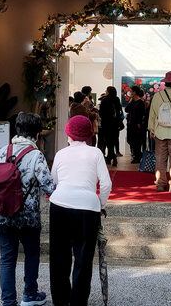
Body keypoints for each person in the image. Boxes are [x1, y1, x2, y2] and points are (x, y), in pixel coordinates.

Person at [0, 113, 56, 306]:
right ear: (36, 133)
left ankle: (8, 301)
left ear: (17, 130)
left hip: (3, 214)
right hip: (28, 217)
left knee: (7, 259)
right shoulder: (36, 155)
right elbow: (49, 187)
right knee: (31, 255)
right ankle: (30, 295)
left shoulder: (2, 152)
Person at [49, 115, 112, 306]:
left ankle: (61, 300)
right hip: (87, 208)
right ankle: (78, 301)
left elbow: (54, 181)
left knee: (59, 256)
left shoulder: (61, 154)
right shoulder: (96, 153)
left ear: (69, 134)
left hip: (60, 205)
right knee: (84, 258)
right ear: (88, 135)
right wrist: (101, 205)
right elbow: (106, 184)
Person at [98, 86, 122, 166]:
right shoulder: (117, 99)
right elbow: (119, 111)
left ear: (108, 92)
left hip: (106, 124)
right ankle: (110, 158)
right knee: (113, 141)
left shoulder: (104, 100)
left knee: (108, 142)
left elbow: (101, 113)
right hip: (115, 124)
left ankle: (113, 158)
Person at [125, 85, 146, 164]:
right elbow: (127, 109)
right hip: (130, 123)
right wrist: (130, 101)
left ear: (135, 92)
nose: (130, 93)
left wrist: (139, 123)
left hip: (136, 125)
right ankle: (136, 154)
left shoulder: (140, 102)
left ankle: (137, 156)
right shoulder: (132, 101)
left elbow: (141, 114)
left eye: (131, 91)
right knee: (130, 140)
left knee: (136, 141)